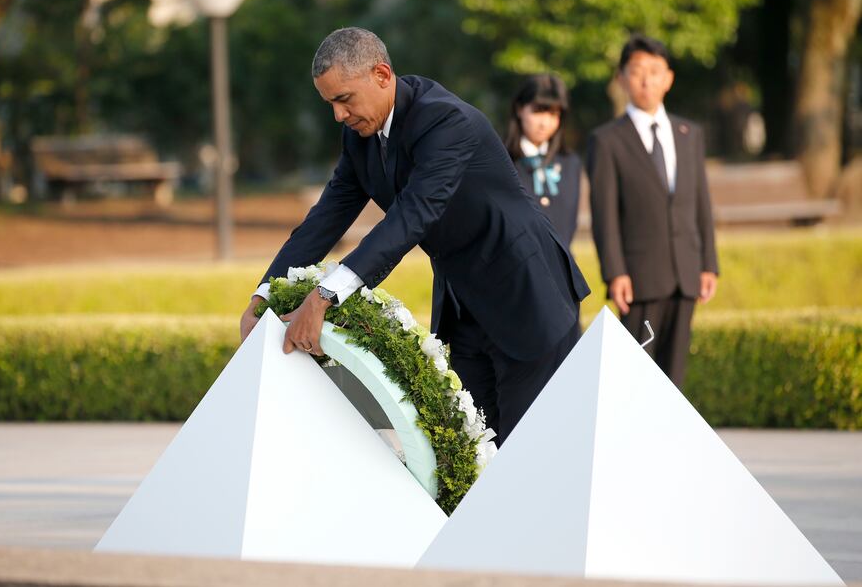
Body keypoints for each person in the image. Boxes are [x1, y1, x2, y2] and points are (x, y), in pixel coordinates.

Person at [239, 27, 590, 444]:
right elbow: (324, 220)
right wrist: (263, 295)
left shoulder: (446, 120)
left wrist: (325, 296)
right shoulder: (359, 138)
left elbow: (412, 216)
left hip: (527, 295)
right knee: (475, 449)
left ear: (382, 75)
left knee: (529, 452)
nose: (338, 115)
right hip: (463, 307)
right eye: (330, 103)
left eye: (344, 99)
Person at [587, 34, 718, 388]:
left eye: (655, 71)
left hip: (686, 271)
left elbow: (700, 201)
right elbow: (605, 213)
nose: (646, 80)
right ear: (622, 79)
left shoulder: (689, 133)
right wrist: (615, 272)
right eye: (637, 71)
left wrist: (709, 262)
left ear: (668, 78)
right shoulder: (607, 140)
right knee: (637, 374)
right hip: (639, 278)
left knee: (675, 375)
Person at [504, 73, 582, 247]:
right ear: (519, 109)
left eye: (554, 113)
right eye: (538, 111)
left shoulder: (570, 163)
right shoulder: (501, 161)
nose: (545, 123)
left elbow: (569, 224)